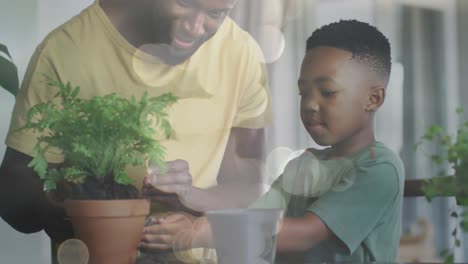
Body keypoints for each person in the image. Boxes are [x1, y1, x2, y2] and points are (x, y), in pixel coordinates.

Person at [0, 0, 271, 252]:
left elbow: (250, 183)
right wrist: (76, 207)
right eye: (185, 2)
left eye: (216, 13)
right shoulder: (66, 50)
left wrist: (192, 198)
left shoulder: (241, 53)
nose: (195, 27)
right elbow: (13, 191)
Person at [152, 19, 404, 263]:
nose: (310, 105)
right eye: (303, 93)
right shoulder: (303, 165)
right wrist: (188, 195)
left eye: (327, 92)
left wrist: (203, 233)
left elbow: (306, 234)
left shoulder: (380, 168)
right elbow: (254, 217)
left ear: (373, 98)